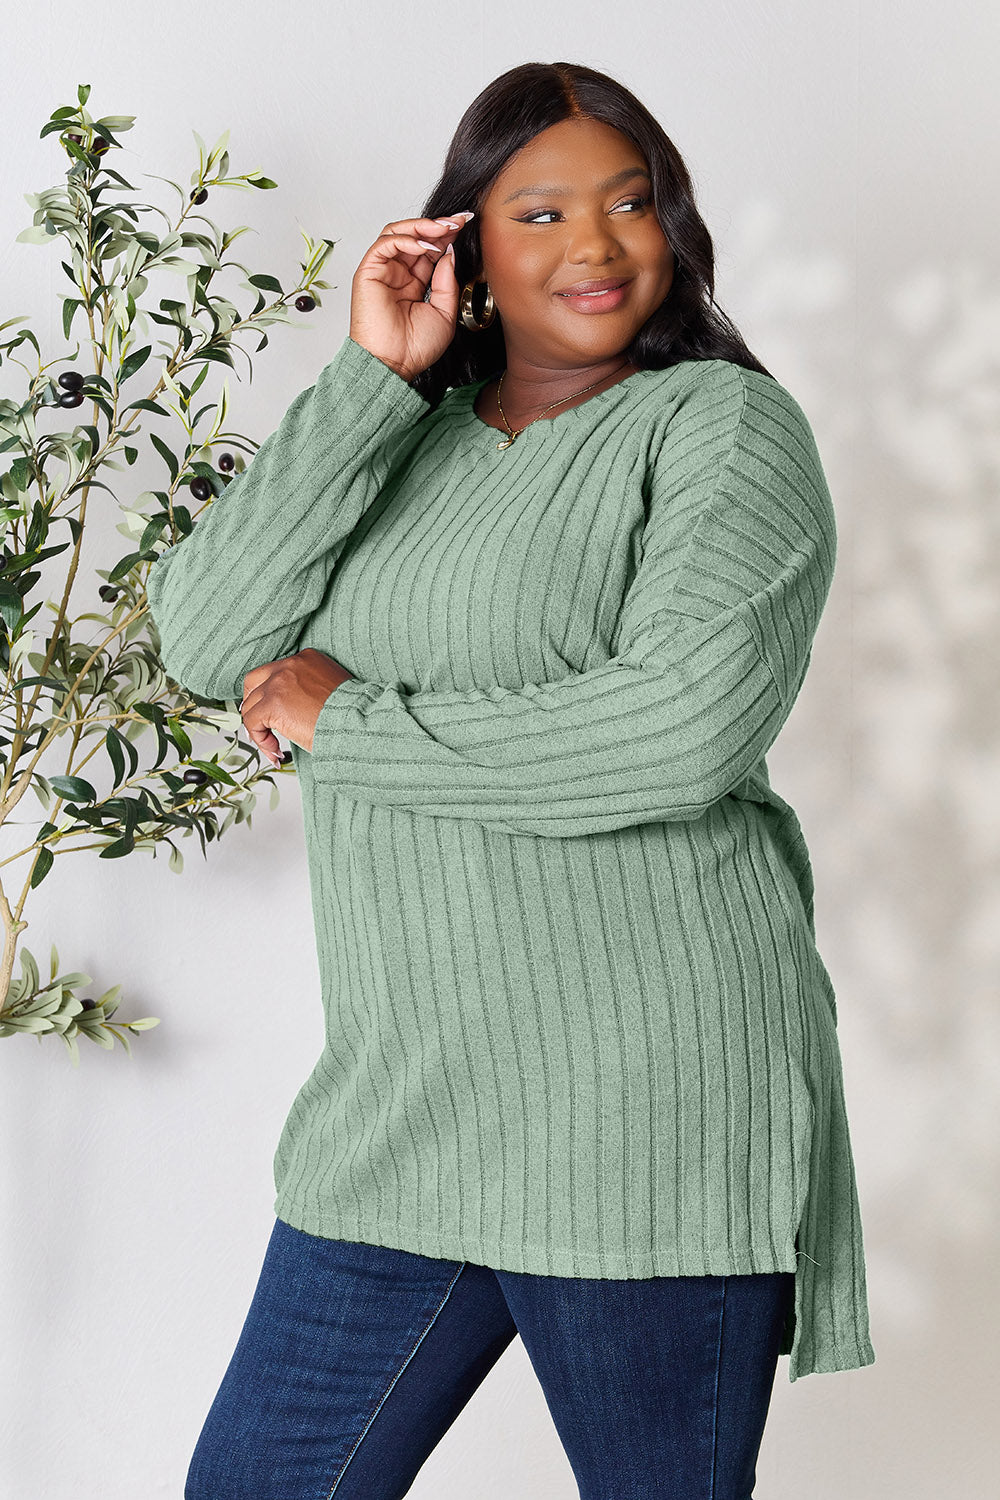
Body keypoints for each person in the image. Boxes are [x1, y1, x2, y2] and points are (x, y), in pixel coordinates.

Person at [146, 59, 875, 1500]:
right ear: (467, 243)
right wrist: (371, 381)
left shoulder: (719, 430)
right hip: (404, 1108)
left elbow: (679, 727)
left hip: (644, 1112)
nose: (595, 247)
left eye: (630, 203)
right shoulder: (402, 442)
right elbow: (208, 639)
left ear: (674, 227)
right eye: (539, 212)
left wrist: (349, 724)